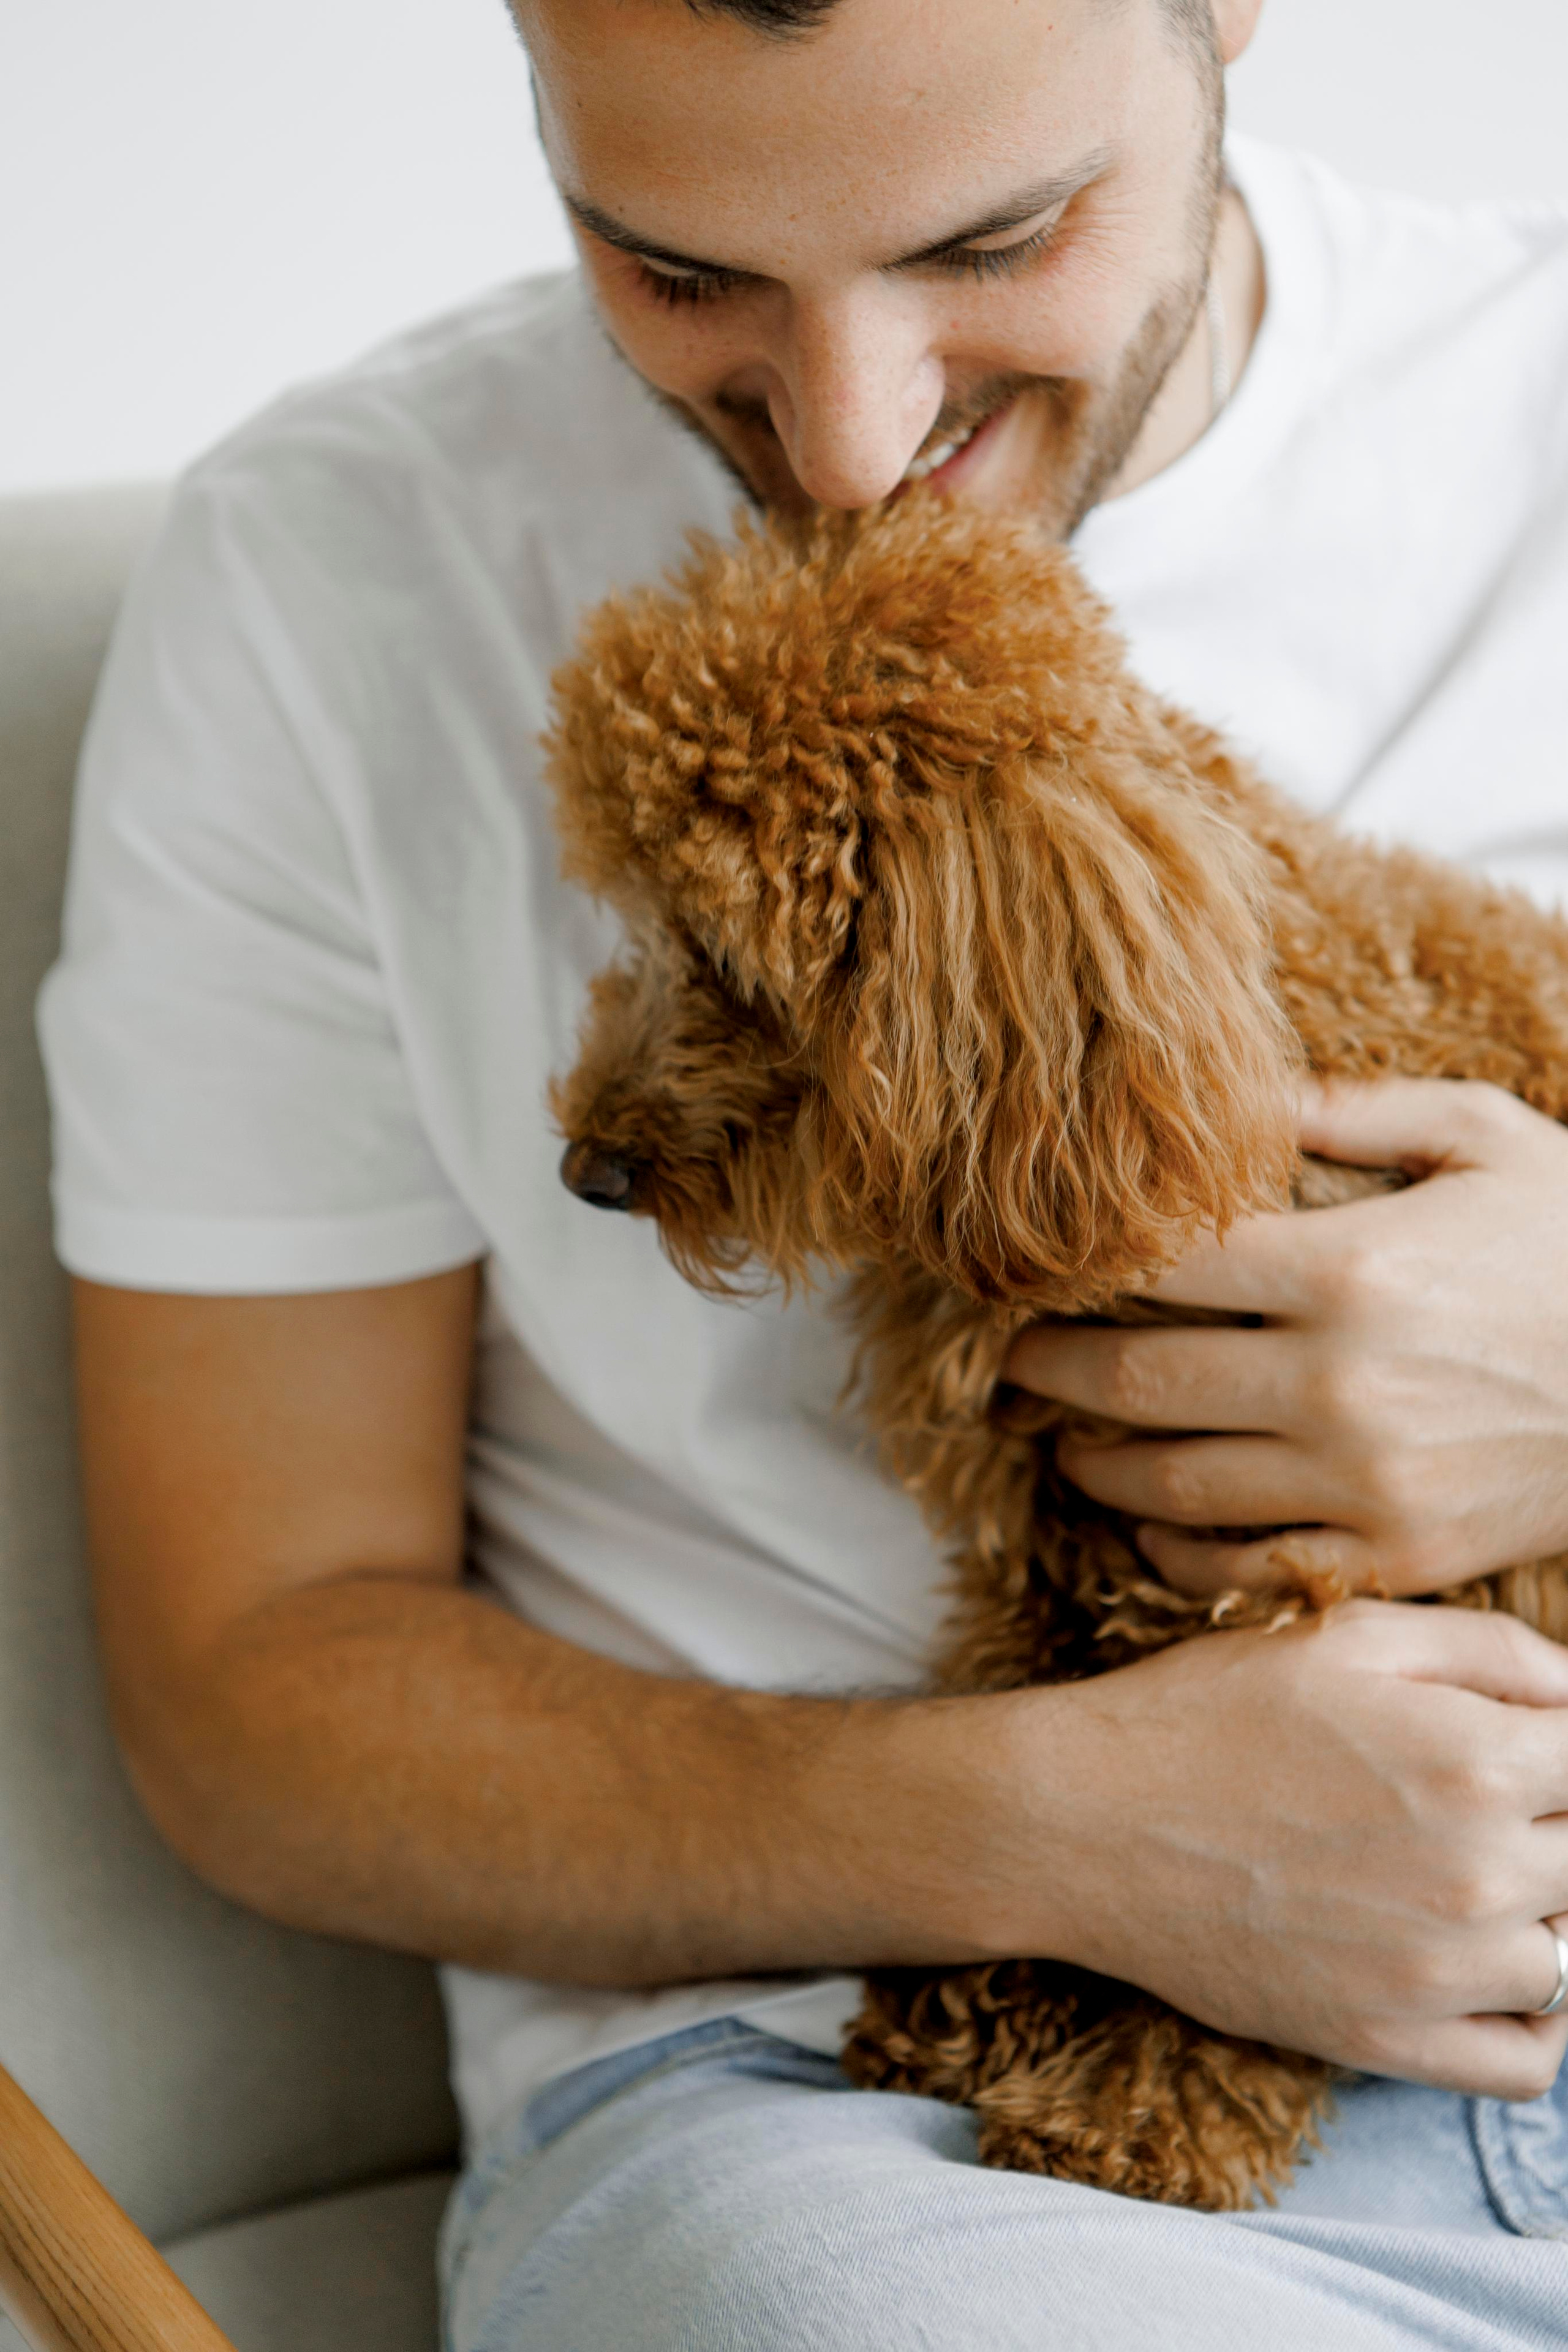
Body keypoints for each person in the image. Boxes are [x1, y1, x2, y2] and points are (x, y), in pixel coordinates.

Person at [40, 0, 1568, 2342]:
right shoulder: (335, 583)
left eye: (1000, 240)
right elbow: (255, 1686)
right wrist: (1071, 1831)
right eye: (678, 273)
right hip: (877, 2115)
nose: (851, 445)